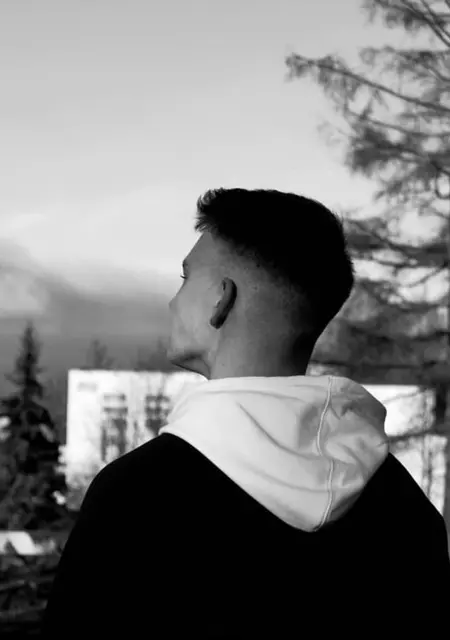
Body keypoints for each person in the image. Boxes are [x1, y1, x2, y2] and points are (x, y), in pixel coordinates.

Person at [41, 188, 450, 638]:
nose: (173, 301)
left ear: (222, 298)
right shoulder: (405, 508)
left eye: (185, 277)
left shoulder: (137, 498)